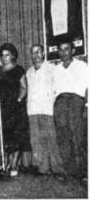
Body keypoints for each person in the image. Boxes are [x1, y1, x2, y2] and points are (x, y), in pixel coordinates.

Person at [0, 43, 30, 177]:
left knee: (16, 136)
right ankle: (6, 161)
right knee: (4, 135)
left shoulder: (19, 69)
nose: (4, 57)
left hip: (15, 108)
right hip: (1, 107)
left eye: (7, 55)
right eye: (2, 55)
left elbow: (24, 87)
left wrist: (18, 100)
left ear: (13, 55)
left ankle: (14, 163)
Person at [26, 44, 64, 175]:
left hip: (47, 109)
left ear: (43, 54)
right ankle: (43, 168)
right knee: (36, 140)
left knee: (51, 139)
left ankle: (57, 168)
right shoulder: (29, 71)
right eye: (33, 52)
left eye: (38, 52)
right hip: (33, 110)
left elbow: (57, 88)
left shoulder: (52, 68)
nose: (35, 55)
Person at [53, 42, 88, 179]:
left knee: (78, 138)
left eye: (66, 49)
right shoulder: (56, 69)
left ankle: (84, 172)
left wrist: (87, 106)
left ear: (73, 50)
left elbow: (88, 88)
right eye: (60, 50)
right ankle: (68, 171)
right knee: (63, 138)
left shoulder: (82, 66)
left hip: (76, 102)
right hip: (61, 103)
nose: (63, 52)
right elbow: (55, 91)